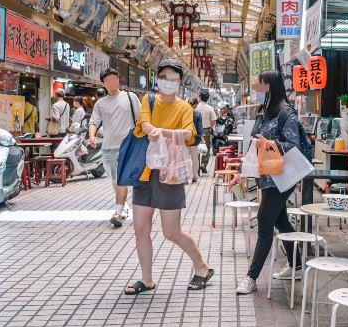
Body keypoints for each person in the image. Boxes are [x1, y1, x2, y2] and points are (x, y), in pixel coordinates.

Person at [125, 58, 213, 295]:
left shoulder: (185, 107)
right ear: (157, 80)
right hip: (145, 172)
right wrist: (151, 130)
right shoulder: (149, 100)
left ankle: (202, 266)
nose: (168, 82)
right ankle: (147, 279)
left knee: (171, 231)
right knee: (140, 229)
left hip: (170, 173)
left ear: (180, 81)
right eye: (163, 77)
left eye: (173, 78)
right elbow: (143, 122)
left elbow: (188, 133)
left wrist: (160, 131)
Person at [230, 70, 310, 294]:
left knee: (265, 221)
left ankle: (251, 277)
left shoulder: (287, 113)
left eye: (259, 83)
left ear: (270, 86)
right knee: (281, 221)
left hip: (282, 177)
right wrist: (241, 172)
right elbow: (253, 146)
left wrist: (269, 143)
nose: (255, 87)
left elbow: (293, 145)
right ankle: (296, 266)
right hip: (267, 177)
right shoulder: (262, 112)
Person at [89, 68, 141, 228]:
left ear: (119, 80)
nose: (111, 83)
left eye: (114, 79)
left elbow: (141, 119)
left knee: (120, 179)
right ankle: (124, 207)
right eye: (108, 80)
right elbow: (94, 121)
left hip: (128, 145)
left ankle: (118, 213)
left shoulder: (130, 97)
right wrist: (92, 135)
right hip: (108, 147)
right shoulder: (101, 103)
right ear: (103, 83)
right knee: (114, 180)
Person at [195, 90, 216, 173]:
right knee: (206, 148)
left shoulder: (195, 107)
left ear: (200, 97)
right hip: (206, 130)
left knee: (196, 148)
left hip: (196, 130)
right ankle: (203, 163)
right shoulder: (210, 108)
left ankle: (196, 166)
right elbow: (213, 120)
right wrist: (209, 126)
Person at [188, 98, 205, 183]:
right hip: (195, 140)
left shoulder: (183, 112)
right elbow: (200, 127)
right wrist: (202, 138)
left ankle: (185, 177)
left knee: (185, 159)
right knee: (195, 159)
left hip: (185, 139)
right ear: (194, 104)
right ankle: (194, 176)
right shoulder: (197, 114)